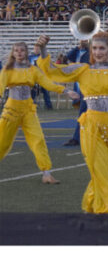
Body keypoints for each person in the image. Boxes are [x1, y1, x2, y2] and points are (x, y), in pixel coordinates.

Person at [37, 32, 108, 213]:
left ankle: (91, 205)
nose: (97, 52)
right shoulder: (83, 70)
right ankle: (107, 211)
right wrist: (42, 49)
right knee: (101, 173)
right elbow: (53, 70)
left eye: (101, 48)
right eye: (94, 48)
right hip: (91, 127)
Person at [0, 41, 77, 185]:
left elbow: (47, 83)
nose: (19, 53)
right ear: (13, 53)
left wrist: (66, 91)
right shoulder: (7, 70)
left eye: (22, 50)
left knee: (38, 140)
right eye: (16, 50)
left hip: (29, 110)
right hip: (11, 110)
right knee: (2, 142)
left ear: (26, 52)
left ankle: (46, 174)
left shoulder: (33, 70)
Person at [63, 39, 91, 147]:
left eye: (85, 40)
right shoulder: (78, 51)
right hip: (81, 83)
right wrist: (77, 48)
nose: (83, 41)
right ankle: (77, 138)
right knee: (82, 112)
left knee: (86, 112)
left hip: (89, 84)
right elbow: (68, 57)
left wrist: (88, 47)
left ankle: (79, 138)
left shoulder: (91, 52)